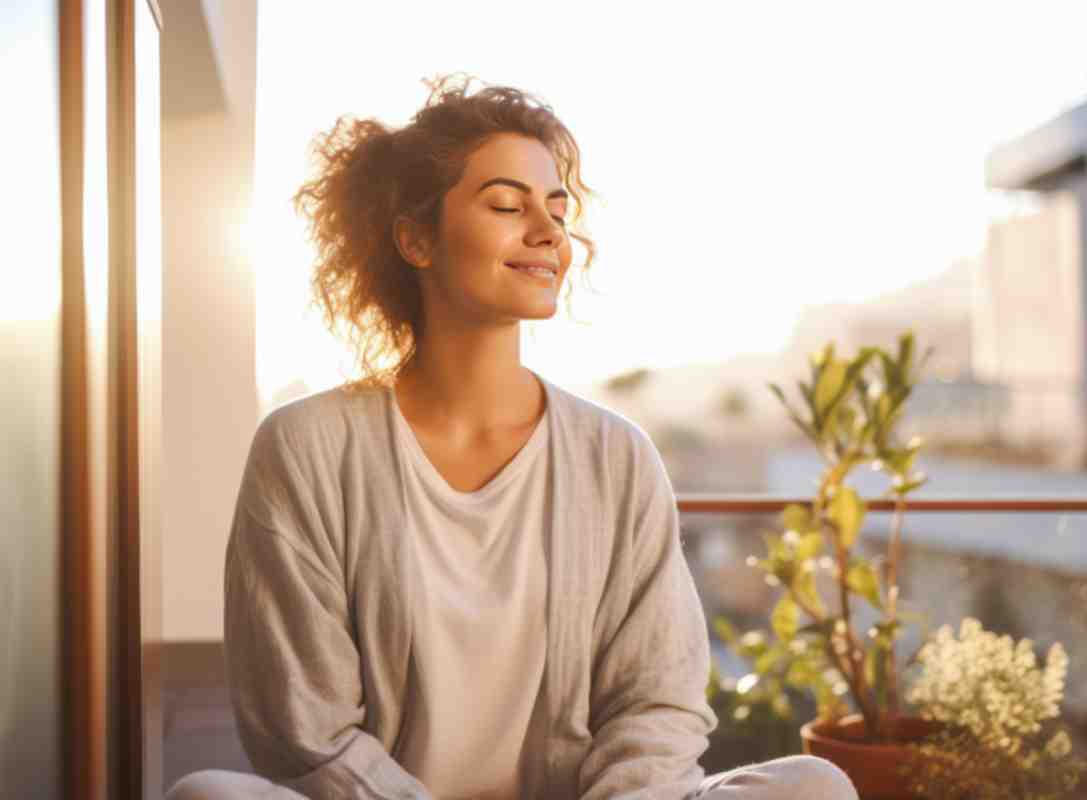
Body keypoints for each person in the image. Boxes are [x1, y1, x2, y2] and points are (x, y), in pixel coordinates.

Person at [166, 74, 857, 800]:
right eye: (506, 205)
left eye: (557, 209)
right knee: (206, 796)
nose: (549, 232)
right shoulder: (306, 447)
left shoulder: (616, 457)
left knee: (815, 784)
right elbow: (305, 727)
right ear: (415, 237)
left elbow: (657, 702)